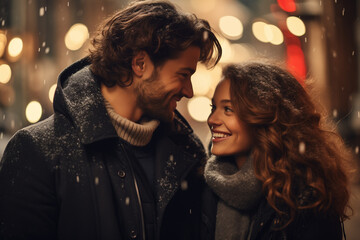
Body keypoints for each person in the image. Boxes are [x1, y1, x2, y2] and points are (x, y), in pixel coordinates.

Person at [0, 1, 222, 239]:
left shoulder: (187, 153)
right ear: (140, 64)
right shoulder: (39, 151)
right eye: (183, 75)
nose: (189, 91)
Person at [201, 61, 353, 240]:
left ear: (265, 117)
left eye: (228, 109)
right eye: (214, 108)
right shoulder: (203, 185)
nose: (212, 119)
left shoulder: (306, 198)